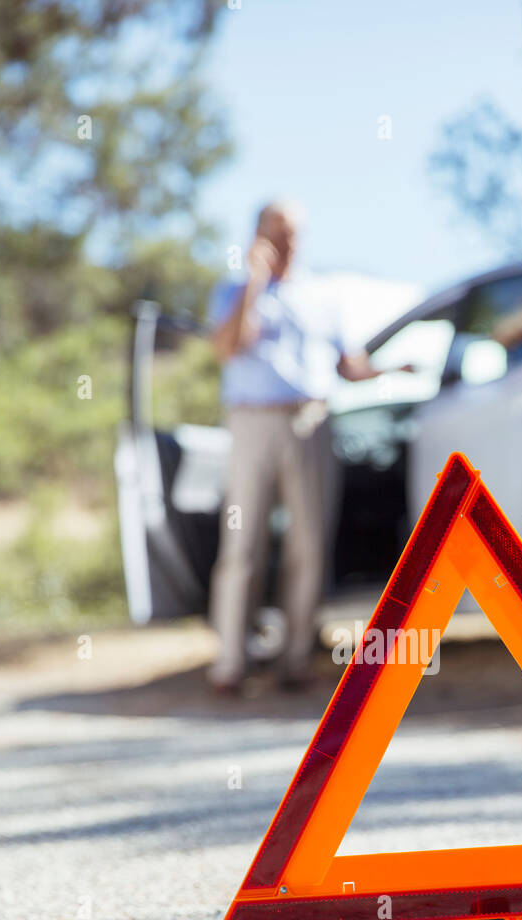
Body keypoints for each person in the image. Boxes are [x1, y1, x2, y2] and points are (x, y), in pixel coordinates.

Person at [208, 200, 391, 694]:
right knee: (242, 543)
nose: (288, 242)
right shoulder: (232, 290)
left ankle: (294, 660)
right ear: (258, 235)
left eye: (294, 233)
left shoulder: (324, 295)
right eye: (277, 232)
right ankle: (231, 661)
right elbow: (227, 347)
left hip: (311, 421)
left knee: (308, 544)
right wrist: (252, 283)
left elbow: (349, 364)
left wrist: (395, 370)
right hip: (253, 423)